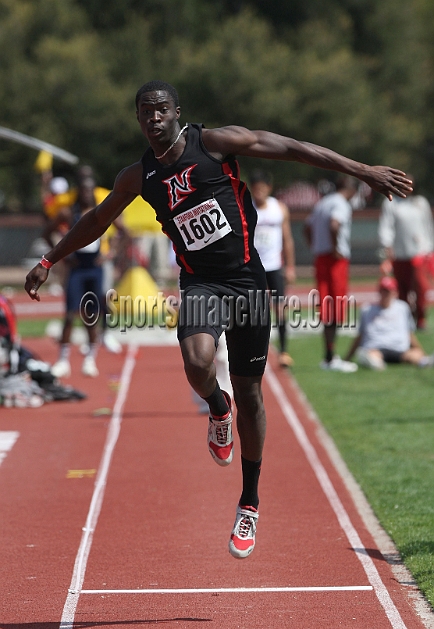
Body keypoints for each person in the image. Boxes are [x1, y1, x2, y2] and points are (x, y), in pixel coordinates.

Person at [25, 80, 413, 559]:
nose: (153, 118)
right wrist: (49, 259)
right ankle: (216, 406)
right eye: (145, 112)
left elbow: (293, 149)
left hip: (248, 280)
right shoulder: (138, 176)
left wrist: (363, 170)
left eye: (161, 110)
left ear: (176, 113)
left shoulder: (214, 144)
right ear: (138, 119)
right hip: (201, 284)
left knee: (252, 391)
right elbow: (96, 219)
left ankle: (249, 502)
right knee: (196, 362)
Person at [304, 176, 359, 372]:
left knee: (326, 306)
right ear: (351, 189)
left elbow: (307, 226)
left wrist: (314, 245)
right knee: (336, 306)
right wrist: (335, 247)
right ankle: (331, 356)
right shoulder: (341, 203)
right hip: (335, 260)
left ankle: (328, 353)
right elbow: (335, 224)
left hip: (321, 258)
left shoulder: (322, 203)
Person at [50, 177, 103, 378]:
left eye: (90, 190)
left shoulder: (102, 211)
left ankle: (90, 358)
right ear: (78, 192)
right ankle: (63, 360)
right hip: (77, 268)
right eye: (83, 190)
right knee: (70, 314)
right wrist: (62, 255)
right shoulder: (68, 213)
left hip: (94, 268)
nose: (87, 194)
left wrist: (111, 252)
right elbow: (48, 231)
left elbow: (123, 231)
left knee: (91, 316)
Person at [250, 169, 296, 368]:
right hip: (253, 267)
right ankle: (256, 352)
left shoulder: (279, 209)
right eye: (255, 189)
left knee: (280, 308)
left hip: (274, 266)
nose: (258, 192)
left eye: (261, 188)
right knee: (256, 312)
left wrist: (291, 266)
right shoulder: (246, 208)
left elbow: (287, 239)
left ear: (268, 188)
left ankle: (284, 351)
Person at [378, 176, 434, 330]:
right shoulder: (391, 203)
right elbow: (386, 227)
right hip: (400, 253)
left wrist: (430, 248)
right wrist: (387, 246)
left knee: (421, 287)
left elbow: (428, 226)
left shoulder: (420, 202)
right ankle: (406, 318)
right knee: (402, 289)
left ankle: (421, 318)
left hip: (419, 253)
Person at [345, 276, 434, 369]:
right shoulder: (367, 309)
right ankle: (375, 363)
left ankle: (425, 362)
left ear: (395, 292)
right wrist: (348, 357)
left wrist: (422, 353)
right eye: (383, 291)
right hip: (376, 347)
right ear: (379, 292)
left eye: (388, 291)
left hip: (399, 348)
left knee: (414, 355)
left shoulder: (402, 308)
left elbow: (409, 334)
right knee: (370, 355)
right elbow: (361, 335)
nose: (385, 294)